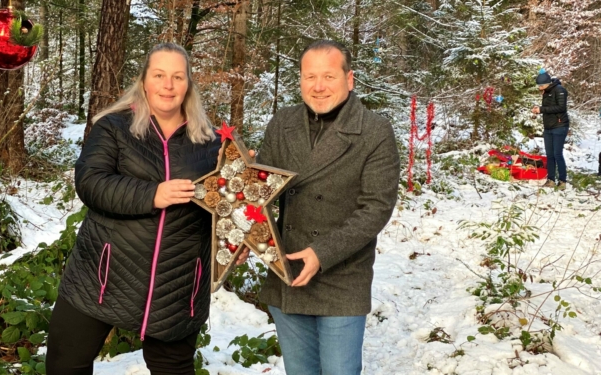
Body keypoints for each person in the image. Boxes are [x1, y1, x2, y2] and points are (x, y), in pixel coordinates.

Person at [46, 43, 222, 375]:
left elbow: (222, 204)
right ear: (143, 81)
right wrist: (152, 194)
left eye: (177, 77)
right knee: (65, 365)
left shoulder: (211, 143)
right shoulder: (114, 127)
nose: (168, 85)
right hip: (102, 275)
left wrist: (235, 230)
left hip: (178, 282)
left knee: (173, 369)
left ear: (188, 85)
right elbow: (91, 182)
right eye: (159, 75)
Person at [256, 40, 400, 375]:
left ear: (349, 79)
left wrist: (322, 252)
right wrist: (244, 179)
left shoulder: (374, 131)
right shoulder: (283, 122)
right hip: (288, 272)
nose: (318, 87)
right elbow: (264, 192)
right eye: (310, 77)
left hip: (342, 276)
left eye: (329, 76)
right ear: (301, 81)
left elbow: (376, 208)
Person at [531, 69, 569, 190]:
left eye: (541, 85)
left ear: (548, 83)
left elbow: (561, 107)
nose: (540, 88)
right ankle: (551, 179)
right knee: (549, 155)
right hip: (548, 127)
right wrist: (538, 110)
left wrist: (542, 110)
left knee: (557, 154)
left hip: (560, 126)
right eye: (539, 86)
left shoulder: (560, 90)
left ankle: (562, 180)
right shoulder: (546, 91)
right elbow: (548, 108)